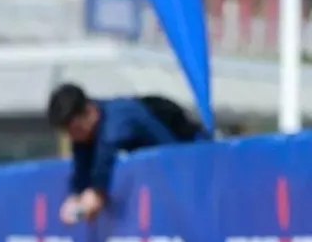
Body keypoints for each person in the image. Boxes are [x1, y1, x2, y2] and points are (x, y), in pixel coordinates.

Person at [47, 83, 207, 225]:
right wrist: (75, 195)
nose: (73, 137)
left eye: (75, 129)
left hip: (194, 171)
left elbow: (106, 154)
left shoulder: (118, 118)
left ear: (89, 111)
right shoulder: (86, 132)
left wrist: (95, 193)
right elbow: (81, 172)